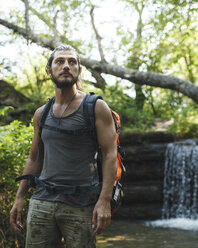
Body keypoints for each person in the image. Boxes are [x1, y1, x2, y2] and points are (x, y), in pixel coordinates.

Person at [10, 44, 118, 248]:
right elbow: (34, 158)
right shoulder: (41, 113)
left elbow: (110, 154)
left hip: (81, 203)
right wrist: (20, 197)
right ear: (49, 70)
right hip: (42, 200)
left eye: (72, 62)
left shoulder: (96, 107)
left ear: (79, 70)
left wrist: (104, 201)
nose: (66, 66)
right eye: (60, 61)